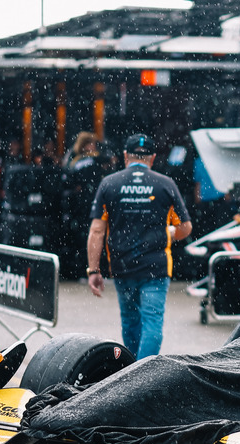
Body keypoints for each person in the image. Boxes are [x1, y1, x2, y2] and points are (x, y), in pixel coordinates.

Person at [86, 133, 192, 360]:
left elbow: (96, 231)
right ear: (152, 158)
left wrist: (94, 270)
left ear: (125, 156)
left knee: (130, 319)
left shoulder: (109, 183)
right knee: (152, 320)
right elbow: (186, 227)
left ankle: (132, 367)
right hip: (156, 266)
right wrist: (169, 234)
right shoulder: (165, 184)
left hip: (123, 264)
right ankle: (142, 373)